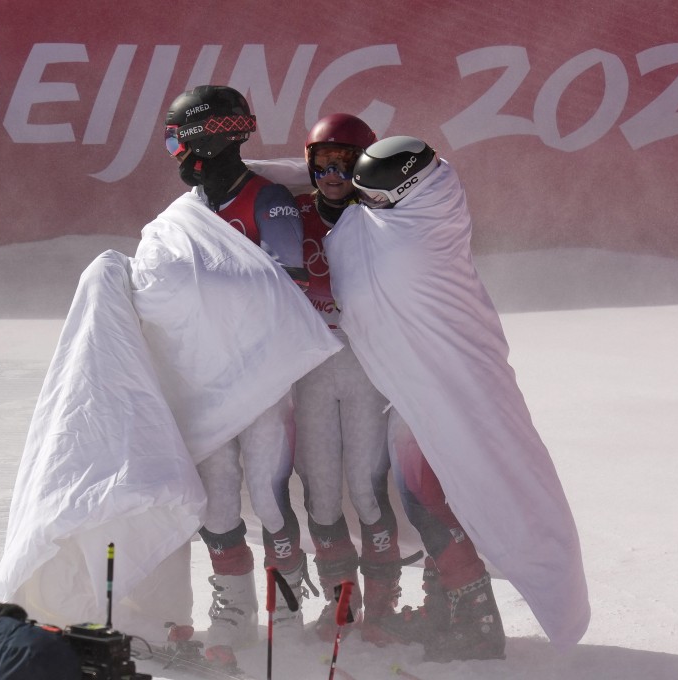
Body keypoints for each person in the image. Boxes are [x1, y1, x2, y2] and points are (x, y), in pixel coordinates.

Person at [323, 136, 591, 662]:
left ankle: (477, 621)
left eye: (373, 198)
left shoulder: (410, 243)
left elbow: (359, 264)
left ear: (403, 192)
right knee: (432, 495)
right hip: (416, 391)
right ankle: (447, 606)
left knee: (432, 500)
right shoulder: (429, 195)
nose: (363, 207)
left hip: (457, 388)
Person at [162, 85, 316, 666]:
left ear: (209, 137)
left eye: (177, 138)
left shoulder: (268, 200)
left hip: (264, 378)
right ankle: (234, 610)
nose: (174, 153)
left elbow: (289, 288)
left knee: (270, 497)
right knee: (218, 502)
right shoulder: (188, 214)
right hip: (208, 378)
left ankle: (287, 605)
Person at [291, 114, 415, 643]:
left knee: (366, 489)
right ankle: (341, 599)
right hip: (314, 367)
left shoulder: (384, 219)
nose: (333, 174)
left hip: (367, 365)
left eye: (346, 162)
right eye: (322, 162)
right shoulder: (290, 215)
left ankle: (383, 603)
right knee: (319, 493)